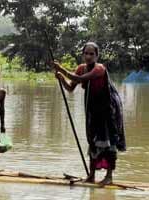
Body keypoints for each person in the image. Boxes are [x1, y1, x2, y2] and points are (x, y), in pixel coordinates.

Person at [51, 42, 126, 185]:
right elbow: (70, 88)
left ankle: (109, 177)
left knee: (108, 142)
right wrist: (61, 79)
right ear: (83, 54)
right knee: (92, 141)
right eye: (86, 53)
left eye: (92, 54)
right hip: (92, 109)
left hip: (107, 109)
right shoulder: (81, 68)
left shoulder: (99, 69)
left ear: (97, 56)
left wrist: (62, 69)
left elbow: (80, 79)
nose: (89, 56)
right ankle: (91, 176)